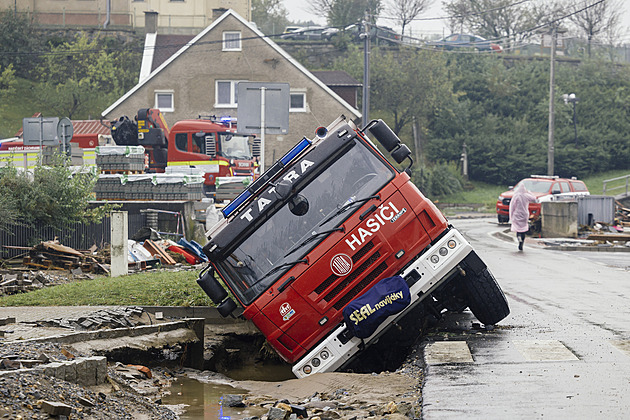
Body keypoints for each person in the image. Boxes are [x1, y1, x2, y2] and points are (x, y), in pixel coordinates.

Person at [509, 183, 536, 251]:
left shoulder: (516, 196)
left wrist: (511, 216)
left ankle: (519, 239)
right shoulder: (526, 195)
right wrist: (529, 192)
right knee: (523, 229)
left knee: (518, 229)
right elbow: (534, 198)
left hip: (517, 214)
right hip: (524, 215)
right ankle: (522, 242)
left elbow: (512, 206)